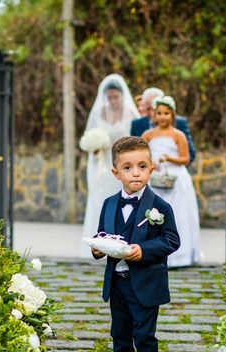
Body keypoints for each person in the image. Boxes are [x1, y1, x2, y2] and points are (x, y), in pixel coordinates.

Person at [92, 136, 180, 352]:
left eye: (142, 166)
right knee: (119, 333)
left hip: (145, 283)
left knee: (144, 335)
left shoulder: (160, 207)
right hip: (117, 283)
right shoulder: (108, 204)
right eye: (128, 168)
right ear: (116, 172)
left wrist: (144, 250)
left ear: (151, 168)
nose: (136, 173)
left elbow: (171, 240)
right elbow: (103, 233)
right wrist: (98, 248)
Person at [80, 74, 140, 257]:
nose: (113, 101)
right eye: (110, 97)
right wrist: (95, 146)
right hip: (101, 164)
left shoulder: (130, 114)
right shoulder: (99, 113)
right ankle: (99, 241)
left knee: (122, 200)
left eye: (116, 97)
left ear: (122, 96)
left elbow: (137, 141)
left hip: (122, 163)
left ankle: (121, 241)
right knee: (100, 200)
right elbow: (90, 135)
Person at [142, 95, 202, 268]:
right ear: (154, 114)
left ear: (172, 115)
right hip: (155, 176)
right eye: (159, 113)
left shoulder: (178, 135)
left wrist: (169, 158)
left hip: (175, 177)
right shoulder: (148, 134)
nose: (162, 117)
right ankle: (150, 253)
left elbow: (185, 158)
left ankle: (180, 257)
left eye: (166, 113)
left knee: (179, 214)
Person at [130, 87, 196, 165]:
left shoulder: (179, 125)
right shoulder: (138, 125)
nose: (161, 116)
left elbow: (190, 154)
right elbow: (136, 153)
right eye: (148, 109)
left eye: (165, 113)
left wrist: (175, 166)